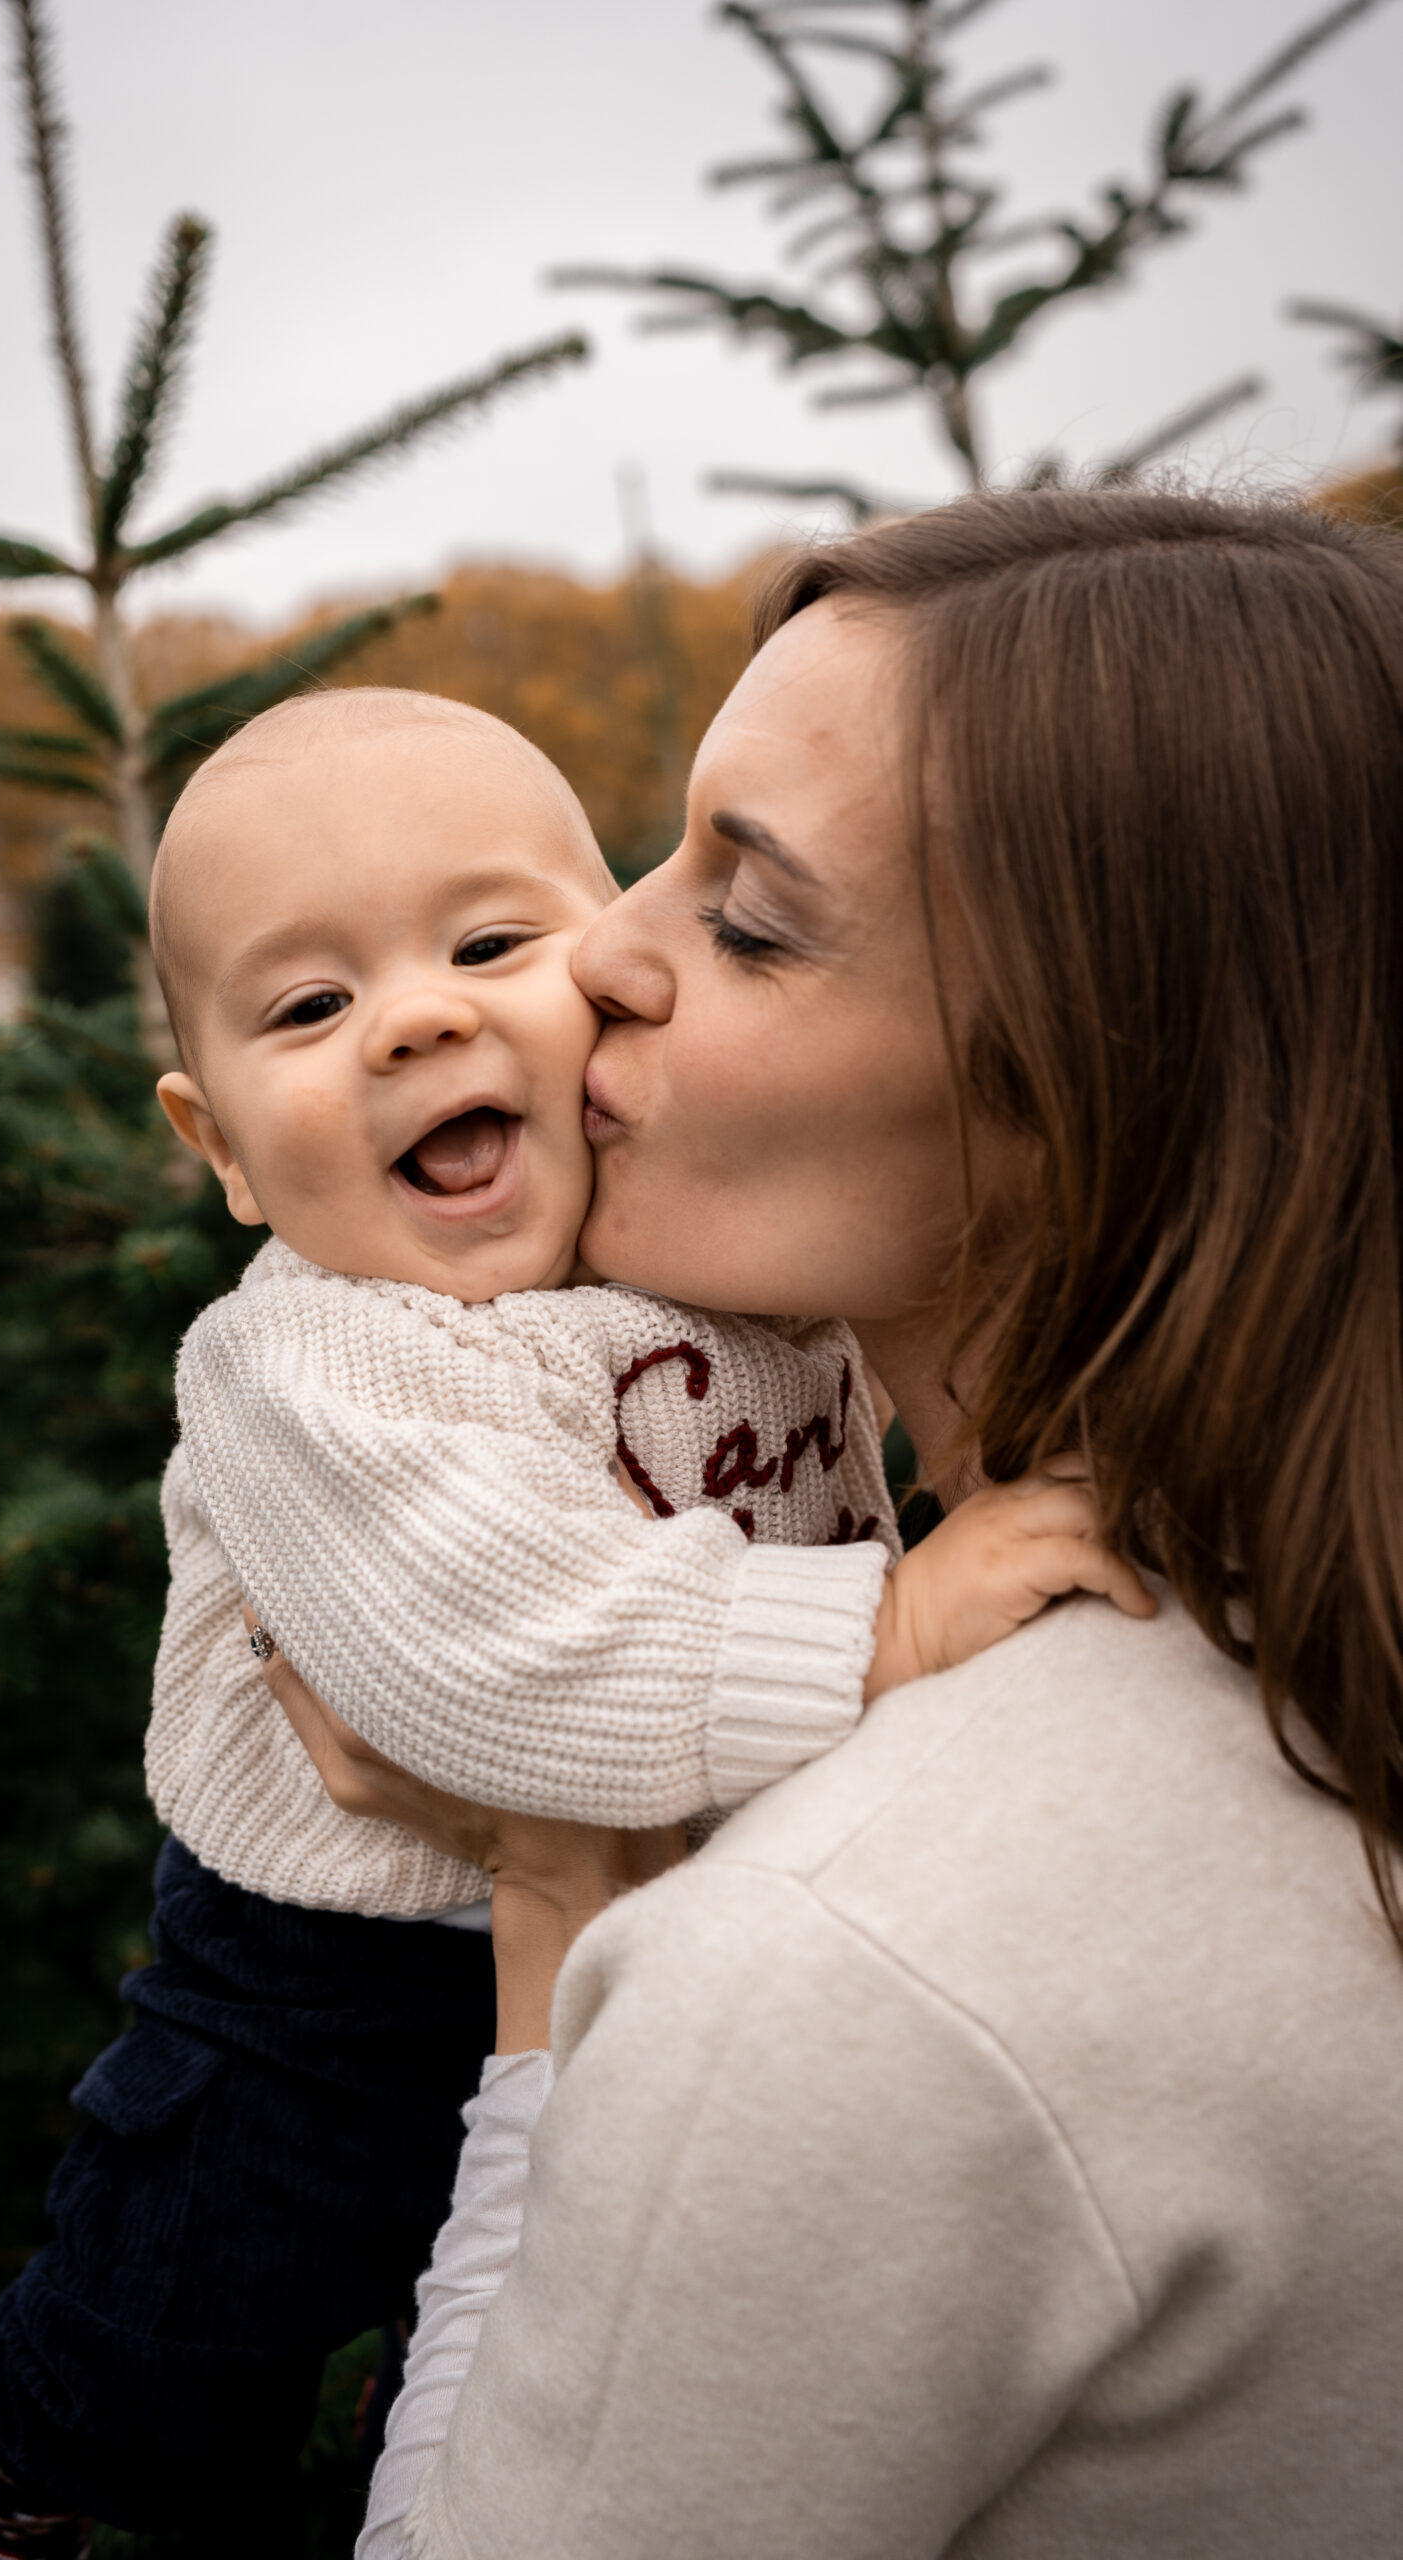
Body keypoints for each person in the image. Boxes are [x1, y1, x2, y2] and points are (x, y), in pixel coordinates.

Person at [260, 489, 1403, 2559]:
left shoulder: (845, 1974)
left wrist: (561, 1902)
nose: (596, 947)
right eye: (668, 845)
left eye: (749, 915)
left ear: (1091, 1082)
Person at [0, 691, 1136, 2559]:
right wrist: (893, 1629)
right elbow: (502, 1666)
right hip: (323, 1983)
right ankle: (35, 2486)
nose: (413, 1016)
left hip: (622, 1909)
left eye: (492, 946)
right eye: (309, 1010)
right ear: (225, 1149)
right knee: (183, 2314)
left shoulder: (692, 1245)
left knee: (519, 2325)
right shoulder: (327, 1357)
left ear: (615, 976)